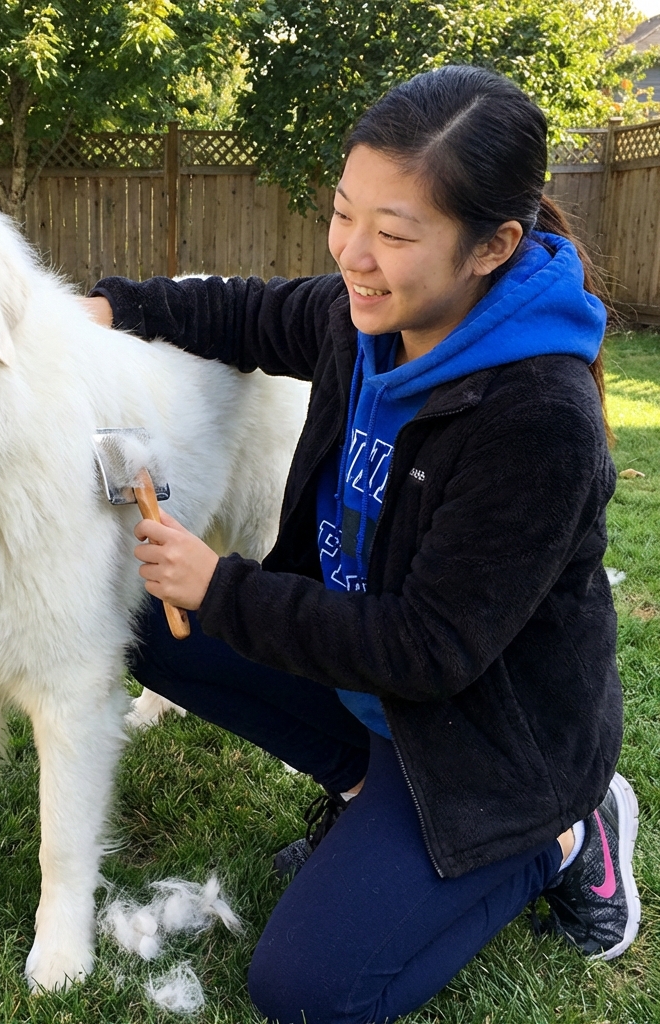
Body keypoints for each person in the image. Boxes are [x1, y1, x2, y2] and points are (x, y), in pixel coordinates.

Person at [81, 66, 640, 1024]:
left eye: (394, 233)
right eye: (345, 214)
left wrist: (223, 588)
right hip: (375, 701)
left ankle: (561, 838)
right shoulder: (364, 319)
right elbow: (247, 313)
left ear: (491, 247)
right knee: (131, 619)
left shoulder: (536, 417)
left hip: (486, 744)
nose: (354, 253)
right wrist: (109, 308)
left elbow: (430, 651)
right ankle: (363, 787)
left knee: (307, 993)